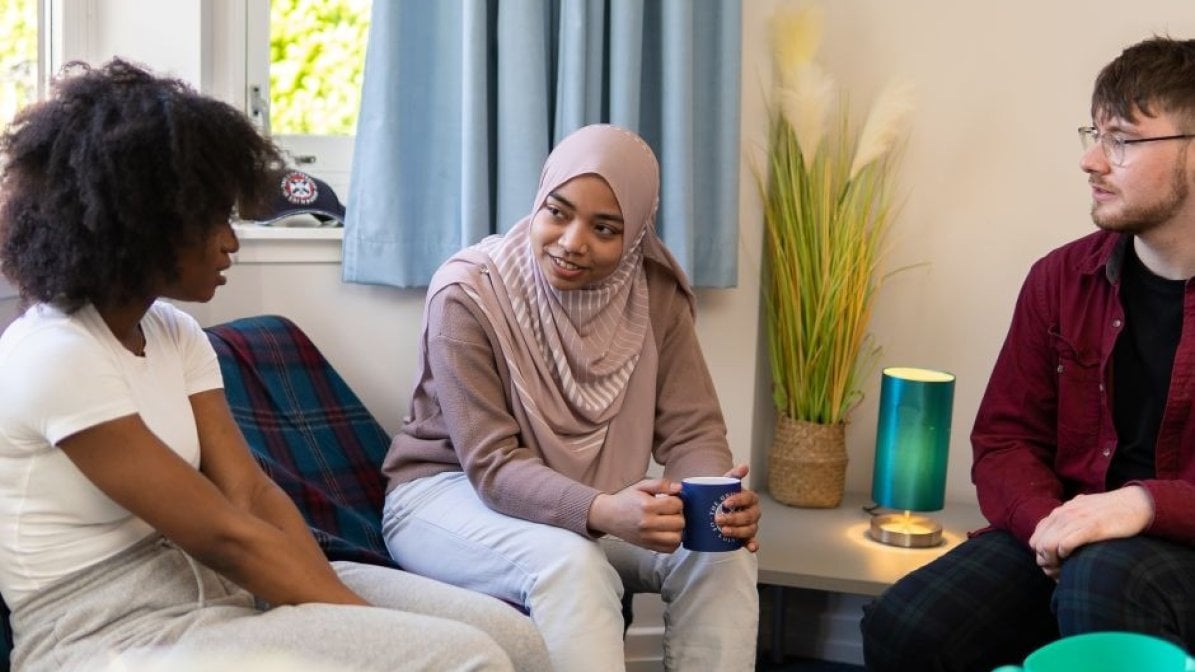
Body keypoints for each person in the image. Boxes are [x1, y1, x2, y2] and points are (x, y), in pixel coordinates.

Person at [0, 59, 550, 672]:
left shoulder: (175, 334)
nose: (230, 242)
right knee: (463, 660)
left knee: (518, 640)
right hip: (108, 633)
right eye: (211, 221)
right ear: (143, 223)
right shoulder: (56, 354)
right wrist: (362, 628)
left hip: (225, 590)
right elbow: (222, 534)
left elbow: (253, 495)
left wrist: (337, 612)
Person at [860, 36, 1195, 671]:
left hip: (1171, 546)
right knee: (909, 626)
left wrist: (1142, 503)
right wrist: (1053, 526)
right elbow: (1005, 440)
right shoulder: (1060, 279)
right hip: (1070, 533)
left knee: (1107, 576)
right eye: (1093, 134)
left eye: (1121, 139)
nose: (1091, 160)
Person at [379, 124, 761, 671]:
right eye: (557, 212)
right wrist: (603, 511)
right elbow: (490, 465)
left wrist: (717, 504)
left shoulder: (654, 293)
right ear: (538, 202)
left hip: (599, 500)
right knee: (571, 562)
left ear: (634, 235)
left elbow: (693, 431)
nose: (572, 241)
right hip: (448, 495)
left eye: (604, 228)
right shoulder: (468, 295)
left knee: (717, 553)